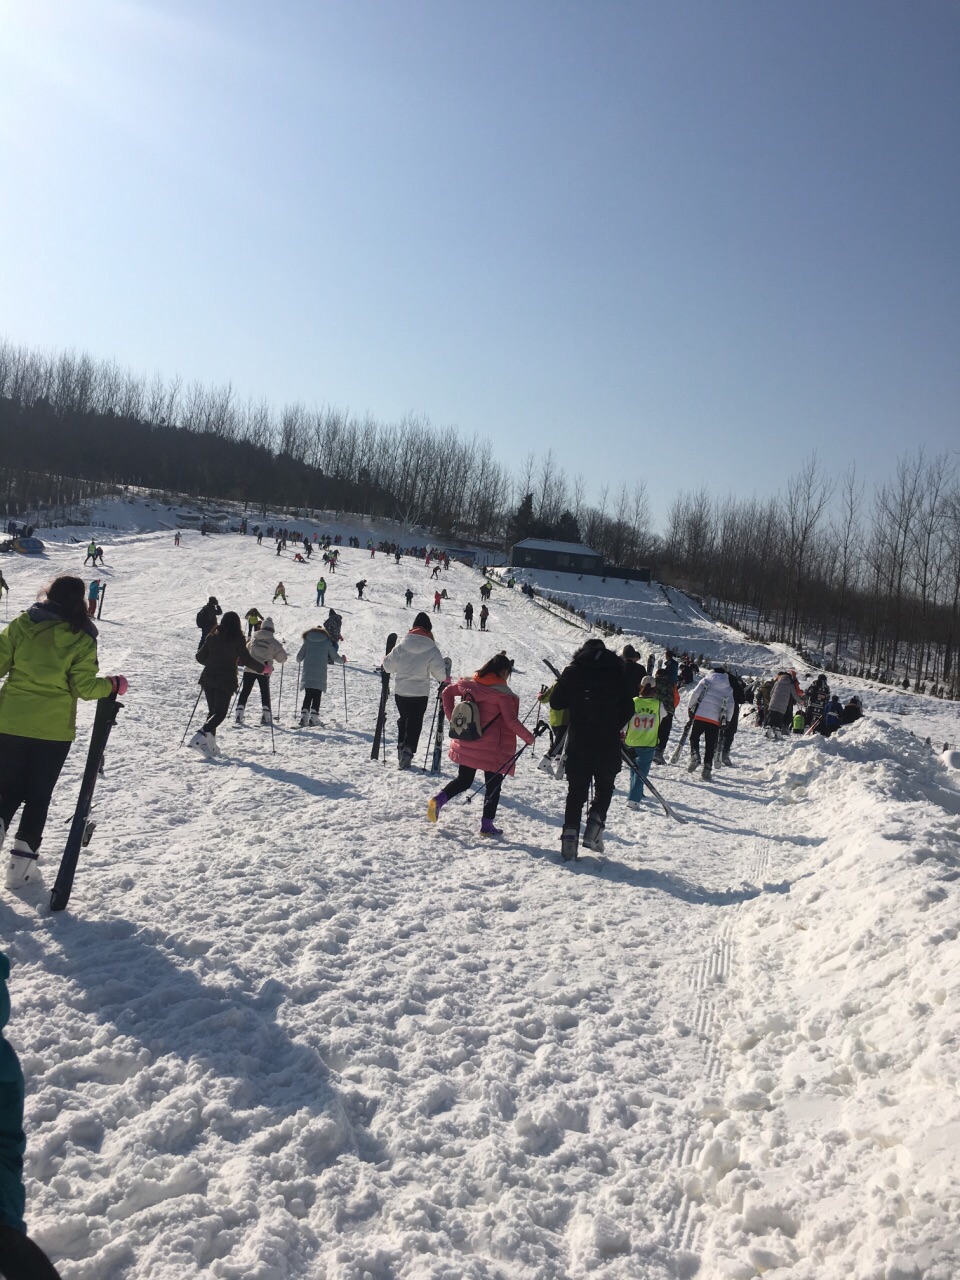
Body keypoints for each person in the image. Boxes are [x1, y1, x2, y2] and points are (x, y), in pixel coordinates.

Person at [0, 576, 126, 885]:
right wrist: (111, 684)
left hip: (9, 722)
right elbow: (82, 687)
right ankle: (21, 868)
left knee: (5, 789)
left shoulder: (23, 624)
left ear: (48, 595)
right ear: (80, 601)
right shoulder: (82, 637)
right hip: (52, 731)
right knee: (38, 795)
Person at [428, 654, 536, 837]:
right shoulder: (502, 695)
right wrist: (529, 738)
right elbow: (511, 721)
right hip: (493, 749)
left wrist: (453, 720)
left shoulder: (469, 685)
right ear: (503, 672)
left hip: (468, 741)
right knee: (493, 786)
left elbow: (446, 692)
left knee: (464, 780)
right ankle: (487, 826)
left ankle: (438, 800)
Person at [549, 638, 634, 860]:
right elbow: (629, 707)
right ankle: (595, 825)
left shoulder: (574, 670)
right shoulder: (616, 672)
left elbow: (556, 702)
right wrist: (614, 725)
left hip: (579, 739)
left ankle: (569, 838)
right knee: (605, 786)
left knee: (576, 792)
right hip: (607, 741)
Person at [191, 613, 267, 756]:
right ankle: (200, 737)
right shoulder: (237, 639)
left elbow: (199, 657)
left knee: (213, 712)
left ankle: (210, 746)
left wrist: (212, 663)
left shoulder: (212, 635)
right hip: (225, 679)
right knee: (220, 713)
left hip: (208, 678)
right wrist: (263, 669)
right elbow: (247, 660)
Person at [382, 612, 448, 769]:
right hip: (420, 693)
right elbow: (440, 675)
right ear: (429, 629)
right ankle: (408, 750)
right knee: (415, 721)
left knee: (404, 718)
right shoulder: (432, 648)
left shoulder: (402, 645)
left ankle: (401, 746)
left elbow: (388, 666)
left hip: (401, 691)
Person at [235, 617, 287, 725]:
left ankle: (239, 712)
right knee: (264, 691)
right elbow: (282, 659)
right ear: (272, 630)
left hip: (249, 668)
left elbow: (246, 651)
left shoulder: (254, 639)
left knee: (245, 690)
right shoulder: (274, 642)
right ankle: (266, 714)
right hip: (264, 670)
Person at [623, 675, 666, 806]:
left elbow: (625, 722)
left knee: (634, 768)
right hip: (648, 742)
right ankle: (634, 799)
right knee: (642, 771)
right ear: (654, 689)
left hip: (631, 741)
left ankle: (637, 791)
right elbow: (663, 716)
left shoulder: (633, 702)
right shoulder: (658, 705)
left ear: (640, 687)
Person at [686, 664, 733, 781]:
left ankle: (695, 755)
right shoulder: (728, 687)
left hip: (700, 715)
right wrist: (727, 720)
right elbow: (730, 706)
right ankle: (707, 768)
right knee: (710, 744)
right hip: (715, 720)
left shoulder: (706, 680)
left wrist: (690, 708)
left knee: (694, 737)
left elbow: (695, 694)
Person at [296, 623, 345, 726]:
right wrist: (343, 660)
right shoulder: (327, 642)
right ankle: (314, 717)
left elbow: (299, 658)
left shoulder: (307, 641)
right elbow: (335, 657)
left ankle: (304, 716)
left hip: (308, 672)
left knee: (308, 694)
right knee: (317, 695)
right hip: (320, 673)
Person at [653, 649, 680, 764]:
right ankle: (659, 753)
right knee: (664, 732)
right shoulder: (671, 685)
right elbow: (677, 699)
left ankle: (648, 750)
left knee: (653, 730)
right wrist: (672, 708)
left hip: (654, 710)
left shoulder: (653, 683)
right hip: (668, 710)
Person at [766, 670, 804, 739]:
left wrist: (772, 699)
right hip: (783, 705)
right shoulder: (790, 685)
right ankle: (778, 732)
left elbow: (771, 693)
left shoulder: (777, 683)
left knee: (771, 716)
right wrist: (801, 701)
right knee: (779, 718)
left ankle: (768, 728)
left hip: (773, 703)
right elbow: (795, 695)